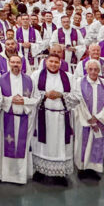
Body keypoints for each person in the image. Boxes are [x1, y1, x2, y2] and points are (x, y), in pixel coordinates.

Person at [32, 54, 78, 186]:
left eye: (56, 62)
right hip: (43, 117)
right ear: (46, 62)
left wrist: (61, 95)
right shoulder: (36, 75)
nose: (53, 64)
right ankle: (40, 171)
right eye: (51, 61)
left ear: (60, 63)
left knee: (59, 145)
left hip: (61, 119)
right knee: (42, 145)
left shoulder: (69, 77)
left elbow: (76, 96)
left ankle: (59, 174)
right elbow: (30, 93)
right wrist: (44, 95)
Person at [0, 55, 38, 184]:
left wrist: (24, 100)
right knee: (4, 146)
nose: (15, 65)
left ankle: (20, 176)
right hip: (7, 119)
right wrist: (10, 99)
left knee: (22, 147)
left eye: (18, 62)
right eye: (13, 62)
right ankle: (4, 174)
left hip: (24, 119)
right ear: (9, 63)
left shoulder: (29, 80)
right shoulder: (1, 79)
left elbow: (36, 98)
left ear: (22, 64)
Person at [72, 60, 104, 180]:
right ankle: (82, 168)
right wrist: (89, 118)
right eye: (90, 69)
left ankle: (93, 168)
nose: (93, 72)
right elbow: (79, 102)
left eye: (96, 69)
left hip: (99, 120)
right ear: (86, 70)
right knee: (82, 143)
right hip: (84, 119)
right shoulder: (79, 82)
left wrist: (99, 117)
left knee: (97, 144)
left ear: (99, 70)